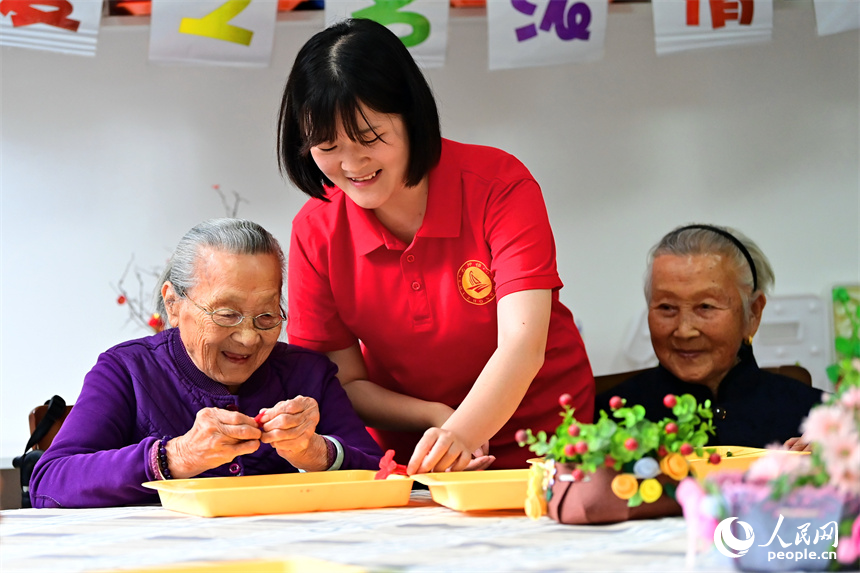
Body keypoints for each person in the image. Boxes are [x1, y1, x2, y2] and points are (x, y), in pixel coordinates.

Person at [276, 18, 594, 474]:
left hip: (543, 437)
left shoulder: (498, 186)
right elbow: (342, 381)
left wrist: (461, 433)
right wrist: (434, 419)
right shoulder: (316, 229)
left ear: (412, 114)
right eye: (327, 146)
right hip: (421, 453)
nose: (351, 164)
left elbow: (522, 346)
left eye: (369, 138)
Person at [30, 219, 382, 508]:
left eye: (267, 316)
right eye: (227, 314)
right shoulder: (127, 370)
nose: (248, 338)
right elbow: (50, 483)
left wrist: (315, 452)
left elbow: (384, 475)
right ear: (173, 304)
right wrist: (176, 456)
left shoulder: (309, 374)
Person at [595, 224, 822, 447]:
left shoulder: (824, 421)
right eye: (666, 307)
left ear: (753, 313)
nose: (684, 330)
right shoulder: (606, 423)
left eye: (705, 306)